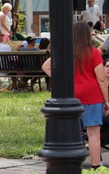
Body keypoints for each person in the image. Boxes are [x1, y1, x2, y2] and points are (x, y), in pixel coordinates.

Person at [42, 22, 109, 170]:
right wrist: (107, 100)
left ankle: (72, 164)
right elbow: (101, 78)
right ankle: (96, 165)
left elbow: (45, 66)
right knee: (93, 133)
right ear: (87, 35)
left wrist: (62, 80)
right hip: (92, 96)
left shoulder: (66, 53)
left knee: (73, 132)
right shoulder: (93, 53)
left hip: (72, 97)